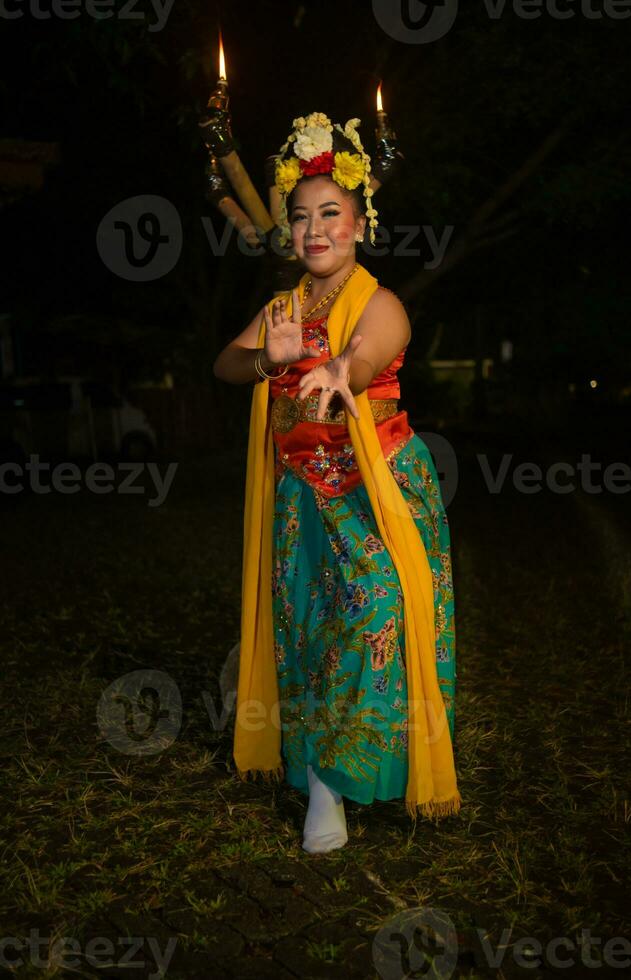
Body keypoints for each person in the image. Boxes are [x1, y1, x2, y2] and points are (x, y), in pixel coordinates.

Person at [213, 112, 462, 854]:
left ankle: (352, 771)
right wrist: (267, 359)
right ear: (288, 232)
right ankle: (321, 776)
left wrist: (336, 370)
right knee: (307, 633)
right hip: (299, 494)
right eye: (300, 218)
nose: (314, 229)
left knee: (377, 610)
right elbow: (225, 365)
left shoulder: (380, 302)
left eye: (331, 214)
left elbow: (366, 353)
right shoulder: (284, 309)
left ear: (359, 224)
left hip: (372, 485)